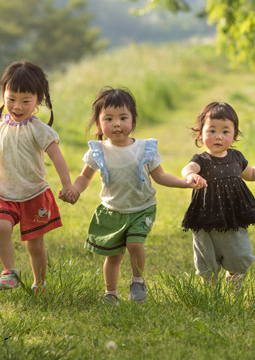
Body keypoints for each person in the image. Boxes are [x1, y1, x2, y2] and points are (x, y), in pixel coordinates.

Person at [60, 87, 196, 303]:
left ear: (133, 120)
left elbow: (160, 177)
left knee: (135, 244)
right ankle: (110, 293)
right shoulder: (98, 151)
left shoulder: (144, 149)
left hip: (142, 208)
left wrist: (185, 183)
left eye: (123, 117)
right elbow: (84, 177)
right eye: (109, 118)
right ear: (98, 123)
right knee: (113, 256)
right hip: (113, 211)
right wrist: (75, 189)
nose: (116, 124)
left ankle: (137, 281)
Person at [0, 60, 78, 294]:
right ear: (3, 94)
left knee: (34, 245)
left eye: (26, 101)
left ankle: (40, 283)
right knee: (1, 226)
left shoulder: (39, 129)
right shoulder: (2, 124)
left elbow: (57, 157)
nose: (17, 106)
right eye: (11, 99)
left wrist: (67, 185)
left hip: (33, 193)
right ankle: (9, 271)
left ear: (38, 101)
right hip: (3, 190)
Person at [181, 101, 255, 290]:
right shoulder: (201, 160)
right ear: (201, 133)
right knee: (206, 257)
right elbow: (188, 168)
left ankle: (234, 279)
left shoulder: (236, 158)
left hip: (232, 216)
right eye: (212, 131)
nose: (218, 136)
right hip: (205, 217)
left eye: (225, 131)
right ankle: (211, 293)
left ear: (234, 135)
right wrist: (191, 175)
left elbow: (251, 174)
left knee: (239, 253)